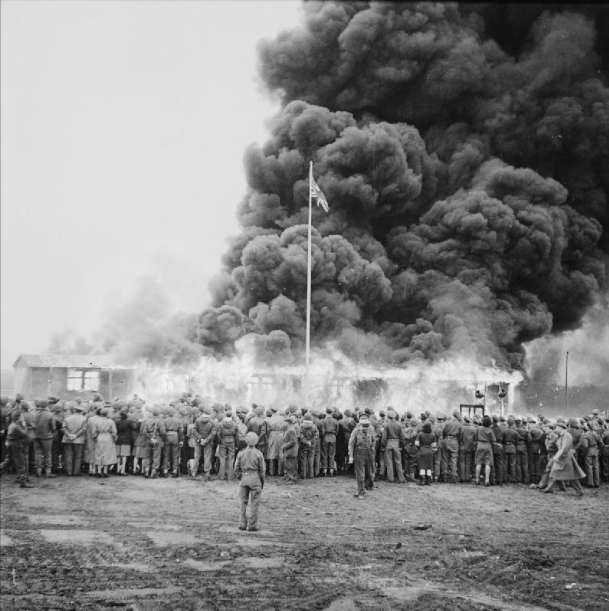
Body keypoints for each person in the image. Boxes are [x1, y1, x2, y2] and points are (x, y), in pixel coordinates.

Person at [542, 418, 585, 496]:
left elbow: (564, 448)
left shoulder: (567, 436)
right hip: (562, 458)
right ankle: (550, 488)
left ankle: (579, 490)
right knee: (554, 471)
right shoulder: (561, 435)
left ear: (560, 428)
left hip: (566, 458)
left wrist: (556, 456)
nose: (555, 429)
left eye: (556, 428)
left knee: (571, 475)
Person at [234, 431, 265, 532]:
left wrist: (240, 477)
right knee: (255, 503)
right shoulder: (258, 454)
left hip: (244, 478)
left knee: (243, 502)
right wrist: (262, 481)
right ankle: (252, 525)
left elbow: (236, 467)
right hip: (255, 479)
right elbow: (262, 470)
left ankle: (242, 524)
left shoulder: (241, 452)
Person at [348, 413, 376, 499]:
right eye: (364, 425)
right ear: (360, 424)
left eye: (367, 425)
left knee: (369, 473)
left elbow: (374, 441)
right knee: (360, 474)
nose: (366, 427)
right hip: (359, 452)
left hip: (369, 453)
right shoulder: (355, 431)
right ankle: (361, 492)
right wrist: (351, 456)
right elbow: (351, 444)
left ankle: (362, 488)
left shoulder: (371, 429)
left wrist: (372, 449)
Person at [6, 411, 34, 488]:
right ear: (18, 418)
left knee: (10, 461)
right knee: (21, 463)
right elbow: (24, 433)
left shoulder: (12, 424)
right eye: (21, 417)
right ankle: (23, 482)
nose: (22, 418)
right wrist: (24, 425)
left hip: (12, 444)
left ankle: (20, 478)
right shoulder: (16, 427)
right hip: (16, 445)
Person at [32, 400, 57, 478]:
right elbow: (53, 427)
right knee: (47, 454)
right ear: (46, 406)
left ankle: (38, 471)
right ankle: (47, 472)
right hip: (47, 437)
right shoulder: (50, 415)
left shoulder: (34, 414)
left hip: (36, 436)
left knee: (37, 453)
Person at [381, 408, 406, 483]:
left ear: (388, 417)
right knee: (398, 461)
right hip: (396, 442)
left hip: (388, 442)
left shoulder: (386, 425)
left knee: (389, 461)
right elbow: (402, 436)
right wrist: (402, 445)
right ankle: (401, 478)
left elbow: (384, 437)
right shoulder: (399, 425)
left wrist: (383, 446)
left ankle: (390, 478)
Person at [62, 403, 87, 476]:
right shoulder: (84, 419)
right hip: (79, 440)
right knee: (78, 457)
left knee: (68, 455)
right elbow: (83, 429)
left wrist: (69, 435)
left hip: (67, 439)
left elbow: (64, 428)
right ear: (81, 411)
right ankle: (76, 472)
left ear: (75, 410)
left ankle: (69, 472)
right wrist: (75, 435)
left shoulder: (67, 418)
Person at [92, 408, 118, 478]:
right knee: (107, 453)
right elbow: (114, 432)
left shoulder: (97, 421)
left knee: (99, 453)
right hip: (108, 437)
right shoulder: (111, 421)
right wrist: (114, 437)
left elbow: (94, 432)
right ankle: (105, 471)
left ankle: (99, 471)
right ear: (107, 414)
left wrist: (94, 438)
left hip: (100, 436)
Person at [474, 415, 496, 486]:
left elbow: (475, 437)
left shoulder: (478, 428)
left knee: (478, 462)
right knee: (488, 463)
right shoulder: (490, 430)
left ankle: (477, 479)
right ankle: (487, 480)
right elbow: (494, 440)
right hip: (487, 446)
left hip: (479, 445)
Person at [216, 412, 239, 481]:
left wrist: (219, 441)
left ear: (225, 415)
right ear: (231, 415)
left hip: (223, 441)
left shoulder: (220, 424)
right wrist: (237, 445)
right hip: (232, 441)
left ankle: (221, 476)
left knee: (222, 458)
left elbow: (218, 434)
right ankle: (230, 476)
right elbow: (237, 436)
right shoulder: (235, 424)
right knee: (231, 459)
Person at [415, 421, 437, 486]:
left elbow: (416, 443)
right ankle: (428, 481)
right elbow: (434, 445)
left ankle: (422, 481)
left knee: (422, 466)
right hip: (430, 451)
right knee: (429, 466)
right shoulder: (433, 434)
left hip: (422, 450)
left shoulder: (420, 434)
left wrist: (419, 448)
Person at [298, 412, 319, 479]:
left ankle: (303, 475)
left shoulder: (302, 426)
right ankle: (311, 475)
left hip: (304, 445)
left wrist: (306, 441)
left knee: (303, 460)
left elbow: (301, 436)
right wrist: (311, 441)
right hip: (312, 446)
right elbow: (316, 435)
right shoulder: (314, 426)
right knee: (311, 459)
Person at [115, 409, 133, 476]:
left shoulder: (117, 422)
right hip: (126, 440)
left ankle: (118, 469)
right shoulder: (129, 422)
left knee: (118, 455)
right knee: (124, 456)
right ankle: (122, 470)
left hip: (119, 439)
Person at [281, 414, 299, 484]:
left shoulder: (291, 430)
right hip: (290, 450)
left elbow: (293, 441)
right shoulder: (289, 429)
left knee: (291, 465)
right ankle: (289, 477)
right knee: (288, 464)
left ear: (288, 422)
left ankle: (293, 479)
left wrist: (284, 446)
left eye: (285, 422)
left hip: (291, 450)